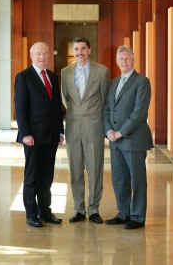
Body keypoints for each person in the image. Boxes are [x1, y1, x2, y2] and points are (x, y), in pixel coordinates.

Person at [14, 42, 64, 227]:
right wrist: (25, 133)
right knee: (32, 176)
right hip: (33, 137)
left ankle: (45, 211)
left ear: (49, 55)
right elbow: (20, 108)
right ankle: (31, 214)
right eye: (38, 54)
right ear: (31, 55)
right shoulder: (24, 77)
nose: (42, 57)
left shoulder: (52, 76)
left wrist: (60, 130)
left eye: (45, 53)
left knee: (47, 176)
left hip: (50, 136)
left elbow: (56, 107)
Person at [103, 45, 153, 229]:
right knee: (119, 179)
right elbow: (107, 109)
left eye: (127, 58)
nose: (124, 61)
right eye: (121, 58)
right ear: (117, 62)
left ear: (133, 60)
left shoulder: (142, 82)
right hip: (115, 141)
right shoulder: (114, 83)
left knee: (137, 180)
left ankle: (137, 217)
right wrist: (108, 132)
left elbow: (139, 112)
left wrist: (120, 132)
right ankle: (123, 213)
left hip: (133, 140)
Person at [61, 37, 110, 224]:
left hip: (94, 127)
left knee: (95, 170)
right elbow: (65, 99)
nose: (80, 52)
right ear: (73, 51)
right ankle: (79, 209)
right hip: (73, 127)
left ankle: (94, 209)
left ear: (89, 50)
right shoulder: (65, 73)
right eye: (76, 49)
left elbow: (105, 101)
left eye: (83, 48)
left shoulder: (102, 71)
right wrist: (76, 114)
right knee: (75, 170)